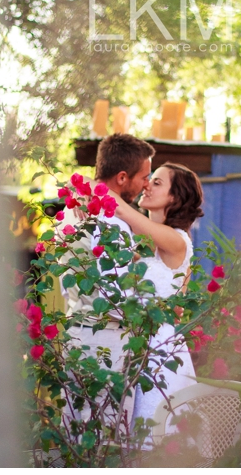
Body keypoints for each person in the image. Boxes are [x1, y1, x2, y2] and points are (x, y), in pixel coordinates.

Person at [58, 133, 154, 426]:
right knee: (107, 435)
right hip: (107, 341)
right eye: (144, 176)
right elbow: (115, 297)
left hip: (75, 333)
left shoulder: (70, 212)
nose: (147, 184)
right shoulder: (111, 222)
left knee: (74, 429)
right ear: (122, 177)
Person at [109, 162, 203, 431]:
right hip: (138, 349)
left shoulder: (178, 241)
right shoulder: (152, 253)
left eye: (157, 182)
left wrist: (92, 188)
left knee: (153, 439)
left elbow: (123, 210)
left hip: (159, 359)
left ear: (174, 197)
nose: (147, 184)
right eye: (149, 179)